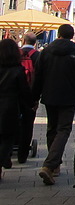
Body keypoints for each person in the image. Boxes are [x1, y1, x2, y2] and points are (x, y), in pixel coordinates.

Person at [32, 24, 75, 185]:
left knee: (52, 129)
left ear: (58, 34)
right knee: (64, 129)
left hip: (49, 96)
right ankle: (50, 164)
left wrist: (34, 99)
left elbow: (37, 77)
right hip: (68, 97)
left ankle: (54, 167)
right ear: (72, 36)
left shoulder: (45, 52)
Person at [0, 38, 33, 180]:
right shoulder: (18, 70)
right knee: (8, 137)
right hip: (9, 108)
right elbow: (24, 91)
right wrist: (31, 104)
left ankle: (4, 159)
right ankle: (3, 158)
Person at [17, 32, 39, 164]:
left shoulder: (15, 54)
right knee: (27, 124)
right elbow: (40, 77)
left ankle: (8, 152)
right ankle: (22, 154)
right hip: (31, 95)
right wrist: (36, 98)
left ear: (23, 41)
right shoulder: (38, 56)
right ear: (35, 43)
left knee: (12, 122)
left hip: (14, 95)